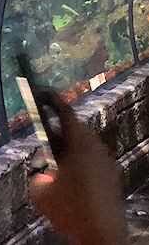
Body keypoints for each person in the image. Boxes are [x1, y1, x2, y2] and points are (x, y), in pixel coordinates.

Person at [28, 91, 129, 245]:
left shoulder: (50, 191)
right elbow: (75, 130)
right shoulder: (93, 158)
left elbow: (40, 188)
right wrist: (59, 107)